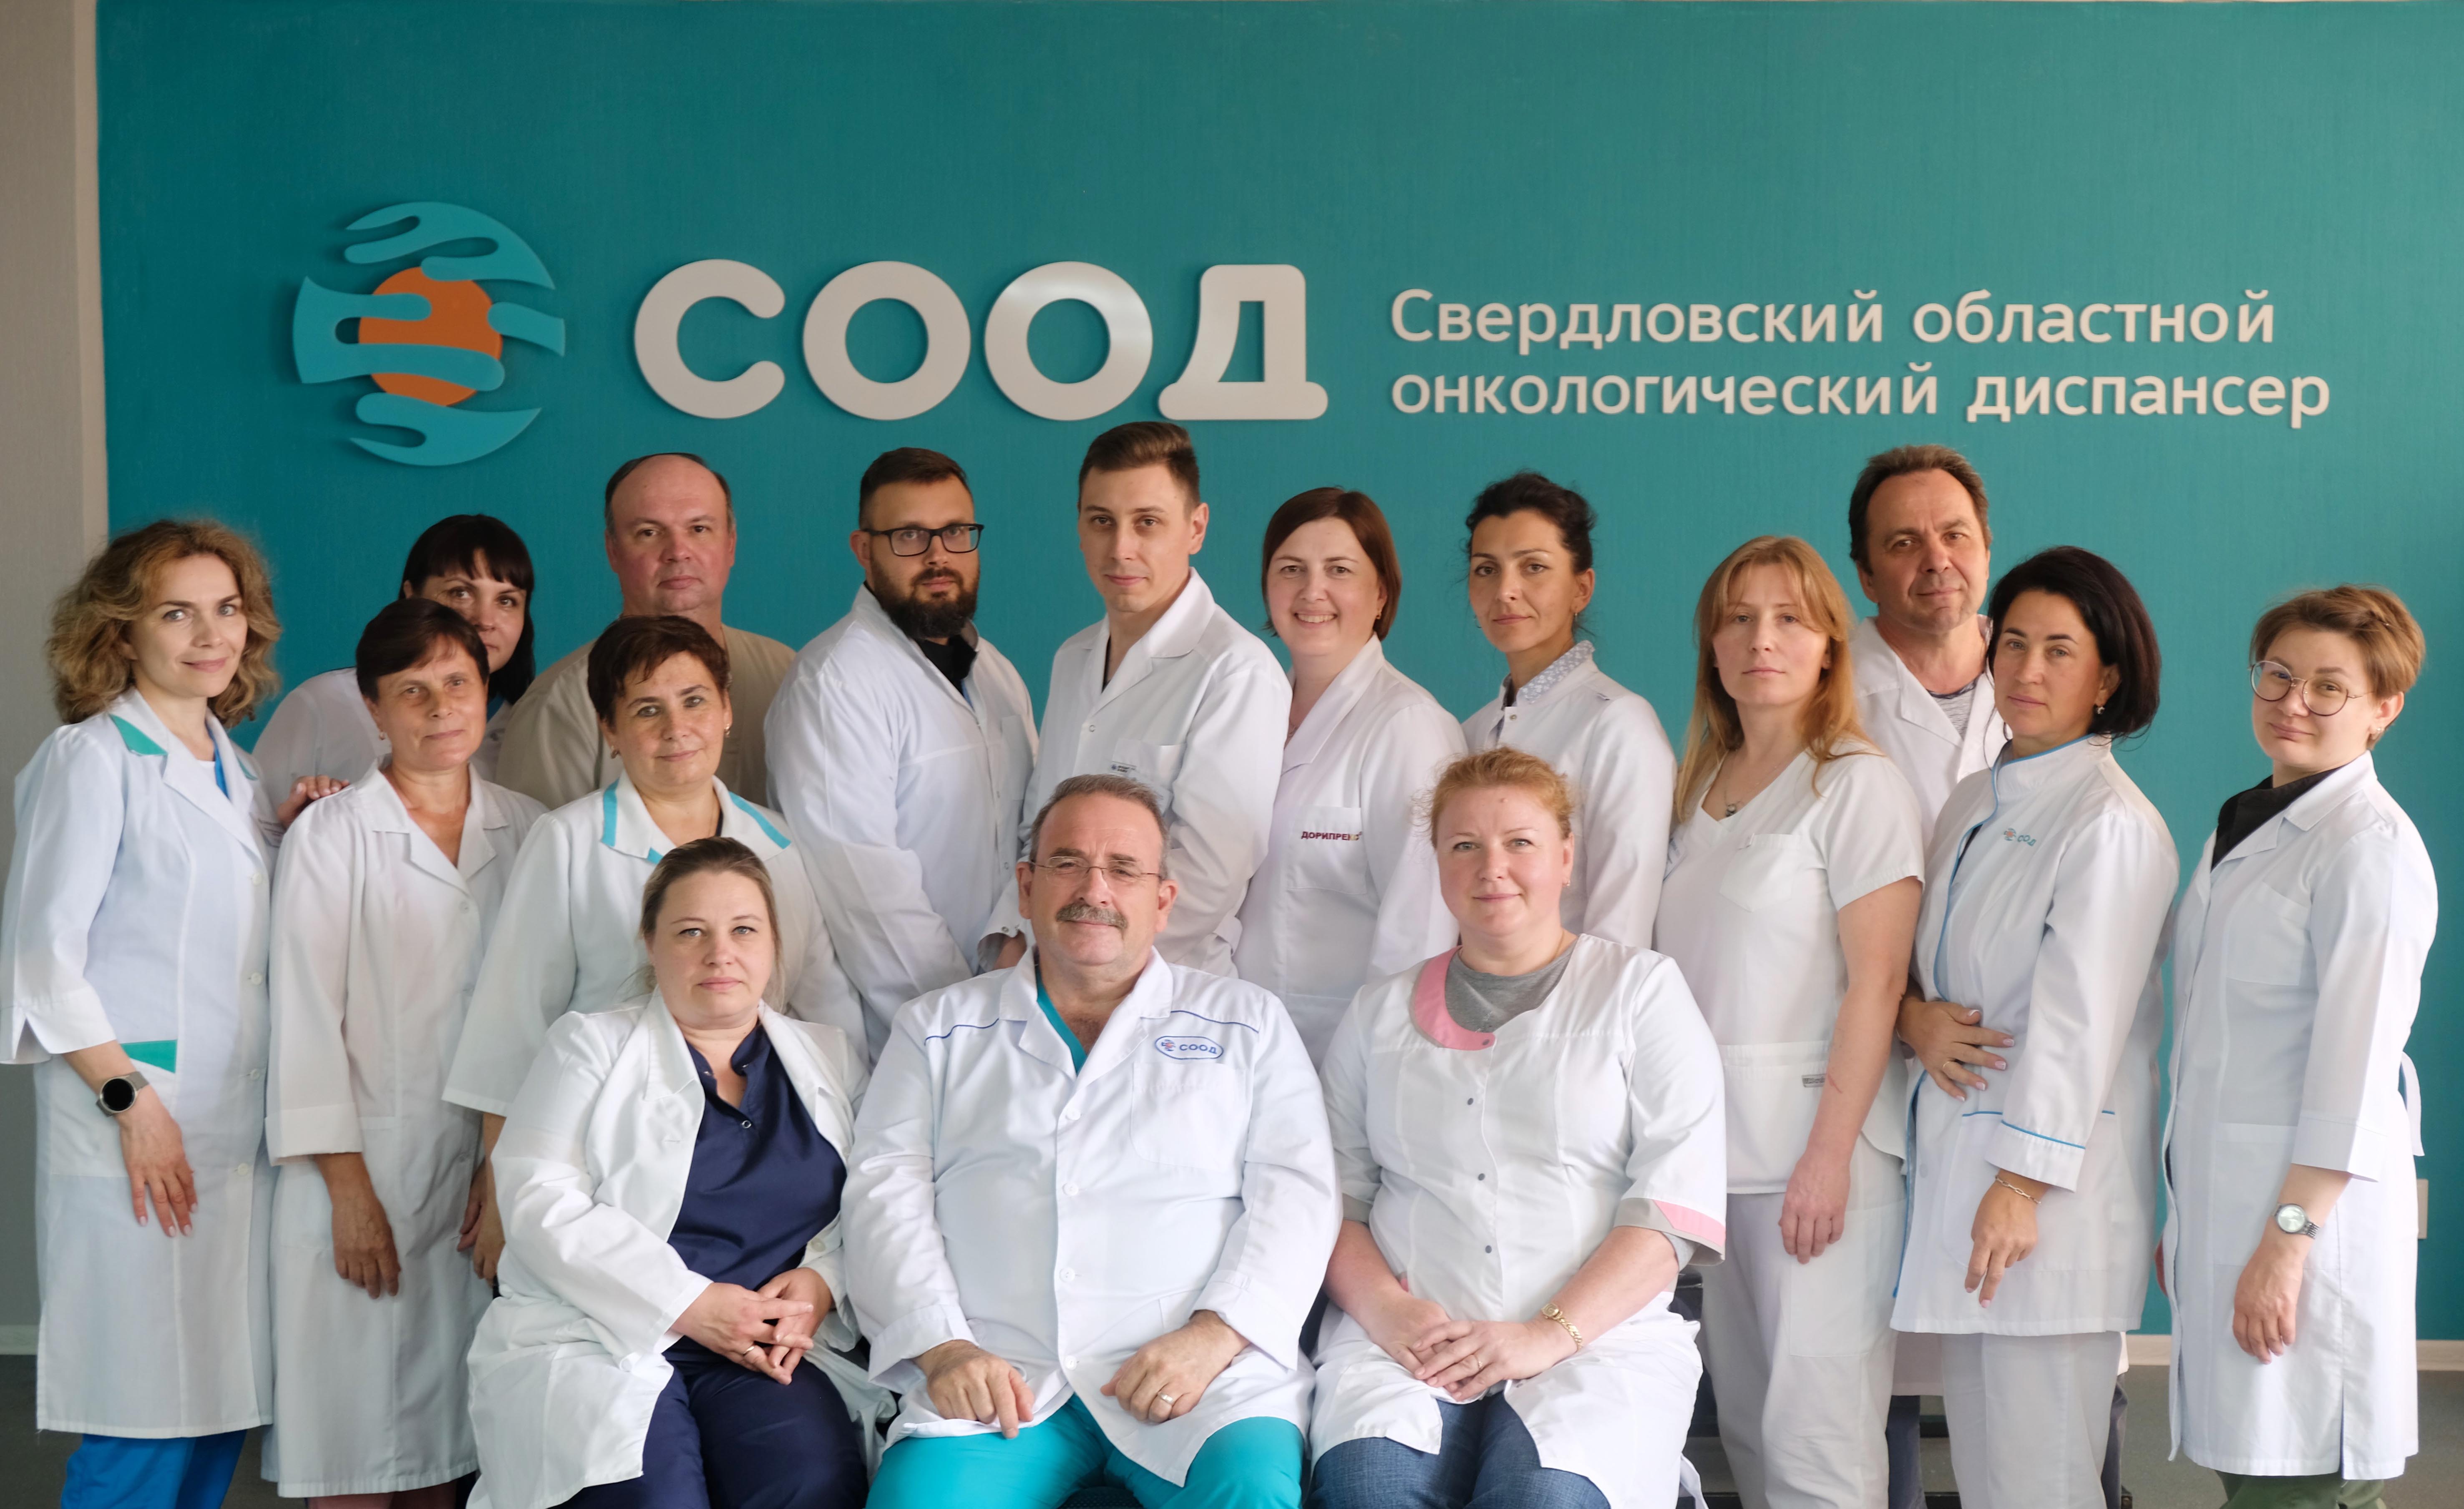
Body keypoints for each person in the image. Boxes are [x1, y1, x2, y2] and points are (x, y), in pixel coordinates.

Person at [847, 775, 1335, 1509]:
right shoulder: (936, 1028)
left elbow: (1296, 1196)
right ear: (1026, 885)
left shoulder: (1247, 1021)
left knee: (1251, 1489)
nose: (1093, 889)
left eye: (1123, 868)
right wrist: (943, 1348)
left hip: (1201, 1375)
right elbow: (884, 1194)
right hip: (1000, 1377)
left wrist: (1215, 1333)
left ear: (1162, 900)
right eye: (1067, 862)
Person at [1311, 747, 1726, 1509]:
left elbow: (1671, 1206)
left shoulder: (1641, 991)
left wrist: (1547, 1333)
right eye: (1463, 844)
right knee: (1368, 1490)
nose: (1490, 867)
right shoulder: (1377, 1012)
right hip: (1409, 1342)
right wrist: (1387, 1311)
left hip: (1594, 1343)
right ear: (1438, 863)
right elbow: (1334, 1200)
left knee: (1543, 1496)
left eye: (1520, 842)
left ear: (1565, 857)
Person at [0, 519, 319, 1508]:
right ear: (121, 629)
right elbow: (43, 958)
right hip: (139, 1128)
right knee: (139, 1418)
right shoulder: (91, 758)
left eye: (226, 609)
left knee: (216, 1408)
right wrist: (131, 1102)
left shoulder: (240, 770)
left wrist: (295, 837)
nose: (209, 634)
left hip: (231, 1136)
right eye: (176, 613)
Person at [445, 614, 859, 1279]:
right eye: (646, 710)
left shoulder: (778, 844)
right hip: (605, 1156)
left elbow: (820, 1009)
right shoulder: (568, 841)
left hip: (758, 1155)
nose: (676, 728)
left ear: (727, 710)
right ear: (609, 730)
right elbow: (512, 1026)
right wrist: (502, 1191)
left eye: (695, 701)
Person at [466, 838, 873, 1509]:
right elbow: (538, 1198)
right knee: (652, 1495)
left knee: (809, 1482)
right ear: (650, 943)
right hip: (602, 1333)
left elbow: (874, 1199)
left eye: (744, 929)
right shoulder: (587, 1045)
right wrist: (689, 1303)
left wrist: (824, 1280)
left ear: (774, 942)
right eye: (691, 932)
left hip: (764, 1347)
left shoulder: (829, 1055)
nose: (720, 953)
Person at [1892, 547, 2174, 1509]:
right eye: (2011, 642)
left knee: (2040, 1481)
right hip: (1965, 1183)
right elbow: (1925, 970)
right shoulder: (1975, 799)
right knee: (1987, 1478)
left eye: (2058, 649)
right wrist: (1913, 1018)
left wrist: (2018, 1185)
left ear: (2106, 678)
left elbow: (2077, 1027)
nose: (2024, 669)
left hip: (2039, 1200)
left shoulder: (2109, 822)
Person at [1653, 538, 1925, 1509]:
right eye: (1737, 619)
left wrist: (1826, 1157)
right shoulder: (1697, 787)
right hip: (1715, 1164)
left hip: (1817, 1161)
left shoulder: (1855, 784)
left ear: (1827, 646)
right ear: (1711, 646)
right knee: (1750, 1433)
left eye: (1787, 619)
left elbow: (1876, 982)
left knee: (1816, 1442)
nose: (1759, 639)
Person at [264, 599, 547, 1507]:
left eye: (457, 681)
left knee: (455, 1453)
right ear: (373, 709)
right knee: (352, 1452)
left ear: (485, 688)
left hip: (486, 1176)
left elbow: (544, 1013)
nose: (439, 706)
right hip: (359, 1174)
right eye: (411, 690)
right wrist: (349, 1193)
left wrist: (504, 1166)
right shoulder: (332, 834)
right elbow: (304, 1019)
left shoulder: (531, 829)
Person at [2162, 586, 2432, 1509]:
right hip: (2235, 1208)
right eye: (2277, 675)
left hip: (2305, 1230)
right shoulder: (2251, 817)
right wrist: (2188, 1217)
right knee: (2257, 1476)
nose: (2293, 702)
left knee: (2306, 1485)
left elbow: (2350, 1079)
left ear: (2383, 708)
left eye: (2328, 687)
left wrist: (2285, 1245)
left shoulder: (2368, 848)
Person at [1842, 445, 2024, 1501]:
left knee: (2049, 1359)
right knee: (1886, 1373)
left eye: (1953, 535)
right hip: (1882, 1065)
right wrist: (1903, 1015)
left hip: (2020, 1066)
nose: (1934, 560)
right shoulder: (1825, 685)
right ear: (1864, 570)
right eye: (1902, 542)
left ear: (1985, 548)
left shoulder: (2046, 661)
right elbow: (1798, 901)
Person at [766, 447, 1037, 1056]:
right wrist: (966, 1027)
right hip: (904, 1039)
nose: (939, 554)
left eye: (956, 532)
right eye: (910, 535)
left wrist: (1012, 978)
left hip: (1010, 1008)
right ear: (864, 549)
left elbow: (1033, 833)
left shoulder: (996, 672)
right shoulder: (834, 683)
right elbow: (869, 898)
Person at [1022, 422, 1288, 976]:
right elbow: (1037, 833)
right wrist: (1019, 940)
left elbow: (1211, 874)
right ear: (1079, 527)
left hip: (1164, 984)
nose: (1121, 549)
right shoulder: (1072, 658)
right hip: (1054, 976)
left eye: (1147, 522)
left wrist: (1089, 967)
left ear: (1196, 528)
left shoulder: (1235, 670)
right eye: (1102, 521)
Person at [1232, 487, 1462, 1062]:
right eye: (1291, 569)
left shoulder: (1407, 726)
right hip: (1236, 1046)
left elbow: (1419, 933)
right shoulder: (1246, 711)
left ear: (1381, 593)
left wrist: (1376, 1073)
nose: (1313, 591)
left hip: (1341, 1056)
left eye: (1339, 570)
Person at [496, 453, 795, 808]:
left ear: (730, 543)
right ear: (613, 551)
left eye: (699, 529)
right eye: (649, 533)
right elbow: (539, 841)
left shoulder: (787, 673)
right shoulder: (560, 703)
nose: (678, 552)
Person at [1458, 472, 1674, 948]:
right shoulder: (1471, 732)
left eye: (1533, 567)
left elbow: (1622, 927)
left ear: (1582, 588)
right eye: (1486, 569)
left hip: (1577, 993)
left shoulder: (1619, 725)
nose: (1506, 590)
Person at [255, 514, 538, 799]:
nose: (485, 620)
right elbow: (255, 818)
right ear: (412, 595)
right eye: (460, 593)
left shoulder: (531, 731)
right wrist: (296, 819)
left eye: (506, 600)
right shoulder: (325, 702)